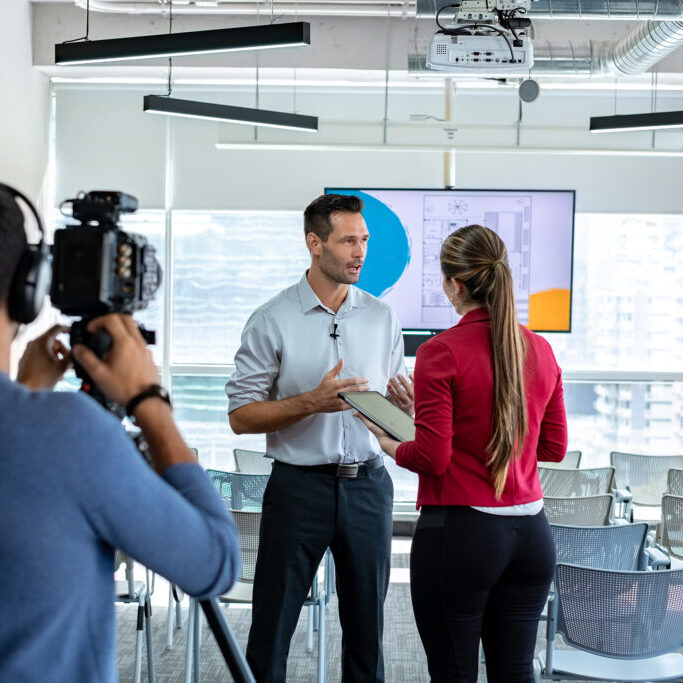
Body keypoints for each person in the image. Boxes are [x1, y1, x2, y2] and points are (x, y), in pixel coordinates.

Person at [0, 186, 241, 682]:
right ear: (28, 286)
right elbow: (214, 563)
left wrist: (26, 394)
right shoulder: (66, 436)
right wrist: (148, 401)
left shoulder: (51, 434)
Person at [358, 224, 567, 683]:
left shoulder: (441, 351)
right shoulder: (542, 349)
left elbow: (432, 459)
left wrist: (386, 438)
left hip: (463, 535)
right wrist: (430, 420)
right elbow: (552, 447)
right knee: (515, 673)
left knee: (453, 674)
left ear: (455, 284)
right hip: (532, 536)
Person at [225, 193, 413, 683]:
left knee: (368, 631)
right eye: (348, 240)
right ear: (314, 243)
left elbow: (390, 410)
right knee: (272, 627)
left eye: (364, 240)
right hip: (298, 489)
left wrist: (405, 412)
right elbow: (241, 416)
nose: (360, 251)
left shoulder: (382, 317)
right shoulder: (272, 318)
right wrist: (311, 402)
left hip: (369, 487)